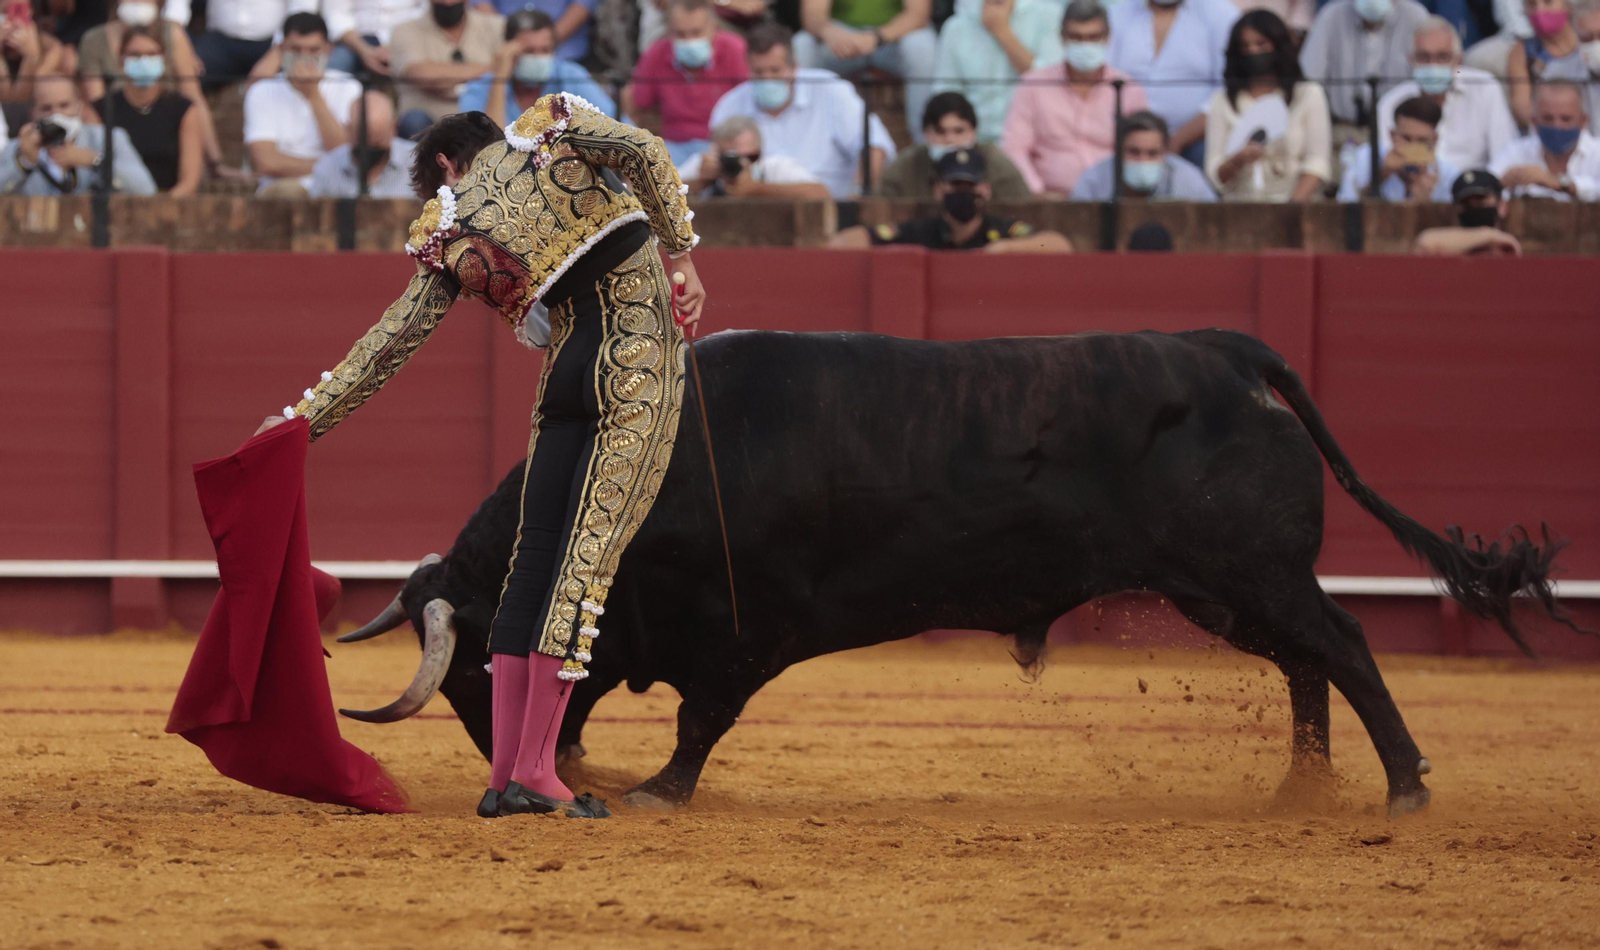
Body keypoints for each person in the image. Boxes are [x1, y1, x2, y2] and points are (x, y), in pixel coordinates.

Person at [252, 98, 703, 821]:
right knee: (581, 567)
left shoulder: (449, 230)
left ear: (444, 163)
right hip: (633, 368)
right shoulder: (555, 123)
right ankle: (537, 778)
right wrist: (680, 254)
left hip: (562, 379)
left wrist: (299, 424)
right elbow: (647, 153)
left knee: (532, 566)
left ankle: (507, 777)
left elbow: (390, 342)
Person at [707, 22, 896, 197]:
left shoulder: (831, 89)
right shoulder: (729, 105)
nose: (767, 79)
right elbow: (713, 165)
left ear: (794, 67)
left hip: (832, 211)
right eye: (758, 72)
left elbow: (874, 146)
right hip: (754, 216)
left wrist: (856, 200)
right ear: (747, 69)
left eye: (775, 70)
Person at [1003, 0, 1150, 195]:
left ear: (1107, 38)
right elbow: (1014, 148)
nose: (1085, 45)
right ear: (1062, 38)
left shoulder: (1127, 88)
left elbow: (1142, 146)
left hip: (1111, 200)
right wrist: (1037, 192)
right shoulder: (1033, 85)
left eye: (1092, 37)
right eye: (1077, 38)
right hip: (1049, 198)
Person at [829, 147, 1074, 250]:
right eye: (956, 185)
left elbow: (1059, 245)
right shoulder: (921, 232)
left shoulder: (1003, 231)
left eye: (970, 185)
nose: (963, 192)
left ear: (985, 190)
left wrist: (1003, 250)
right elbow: (848, 240)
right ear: (938, 190)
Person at [76, 0, 222, 168]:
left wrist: (215, 161)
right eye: (134, 55)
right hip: (119, 147)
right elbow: (100, 109)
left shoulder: (173, 35)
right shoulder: (93, 40)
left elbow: (193, 96)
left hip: (169, 138)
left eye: (152, 54)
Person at [1206, 9, 1331, 201]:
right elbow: (1215, 174)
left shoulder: (1308, 94)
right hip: (1239, 208)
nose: (1253, 52)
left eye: (1261, 44)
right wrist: (1240, 159)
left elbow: (1318, 162)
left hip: (1296, 209)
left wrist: (1288, 210)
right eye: (1245, 46)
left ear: (1278, 45)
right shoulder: (1222, 100)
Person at [1374, 17, 1518, 171]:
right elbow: (1385, 162)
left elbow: (1504, 158)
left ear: (1458, 60)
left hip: (1473, 190)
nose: (1433, 65)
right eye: (1423, 57)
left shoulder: (1485, 88)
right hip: (1413, 187)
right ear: (1411, 60)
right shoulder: (1391, 102)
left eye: (1442, 57)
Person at [1106, 0, 1239, 166]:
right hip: (1126, 136)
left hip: (1195, 139)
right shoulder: (1117, 14)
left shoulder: (1220, 13)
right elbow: (1104, 80)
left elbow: (1227, 89)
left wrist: (1179, 140)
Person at [243, 13, 363, 196]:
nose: (304, 58)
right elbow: (265, 162)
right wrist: (326, 165)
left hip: (337, 186)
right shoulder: (261, 90)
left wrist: (313, 95)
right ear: (282, 50)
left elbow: (345, 154)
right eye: (296, 50)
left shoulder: (349, 87)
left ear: (328, 50)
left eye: (313, 50)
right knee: (288, 193)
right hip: (281, 188)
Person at [624, 0, 749, 167]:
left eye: (696, 32)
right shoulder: (656, 52)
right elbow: (634, 101)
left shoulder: (735, 49)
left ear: (713, 27)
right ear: (669, 30)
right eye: (681, 34)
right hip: (673, 149)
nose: (689, 40)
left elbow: (751, 102)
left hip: (724, 148)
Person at [793, 0, 938, 143]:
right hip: (841, 39)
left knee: (922, 47)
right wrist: (832, 34)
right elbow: (812, 15)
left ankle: (926, 145)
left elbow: (918, 15)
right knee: (803, 45)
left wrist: (876, 38)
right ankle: (801, 140)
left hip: (892, 39)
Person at [930, 0, 1067, 141]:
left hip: (1035, 141)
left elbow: (1053, 89)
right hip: (974, 143)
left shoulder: (1049, 15)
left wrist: (1002, 32)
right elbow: (945, 94)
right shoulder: (956, 27)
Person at [91, 25, 203, 195]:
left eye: (152, 54)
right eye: (135, 55)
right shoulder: (101, 109)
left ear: (164, 59)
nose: (143, 61)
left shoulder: (183, 110)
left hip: (169, 209)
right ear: (121, 59)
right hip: (116, 207)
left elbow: (189, 182)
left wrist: (159, 209)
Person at [0, 76, 156, 195]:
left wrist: (95, 160)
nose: (57, 114)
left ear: (80, 108)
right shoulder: (17, 148)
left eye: (64, 105)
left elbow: (146, 189)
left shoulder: (110, 139)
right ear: (34, 114)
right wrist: (24, 163)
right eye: (46, 108)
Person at [458, 10, 615, 126]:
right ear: (508, 50)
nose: (538, 57)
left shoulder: (571, 75)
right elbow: (489, 150)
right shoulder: (482, 87)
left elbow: (615, 127)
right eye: (529, 51)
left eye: (545, 50)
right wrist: (500, 79)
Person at [1299, 0, 1430, 135]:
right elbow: (1308, 79)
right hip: (1343, 131)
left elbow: (1430, 78)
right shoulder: (1331, 15)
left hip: (1402, 132)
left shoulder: (1416, 17)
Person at [879, 91, 1032, 199]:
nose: (950, 139)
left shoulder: (996, 165)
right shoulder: (904, 167)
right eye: (940, 132)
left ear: (974, 131)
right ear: (926, 133)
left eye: (959, 131)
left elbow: (1025, 212)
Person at [390, 0, 504, 137]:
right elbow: (421, 74)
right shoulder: (405, 30)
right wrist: (492, 69)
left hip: (483, 120)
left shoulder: (495, 26)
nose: (448, 3)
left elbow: (513, 65)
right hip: (429, 125)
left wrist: (444, 79)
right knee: (415, 121)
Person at [1071, 109, 1217, 199]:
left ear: (1166, 153)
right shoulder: (1093, 181)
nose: (1143, 160)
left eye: (1152, 153)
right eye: (1134, 152)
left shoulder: (1190, 182)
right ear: (1118, 150)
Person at [1490, 78, 1600, 197]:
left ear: (1584, 121)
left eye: (1566, 119)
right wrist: (1500, 184)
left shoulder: (1596, 153)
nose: (1557, 125)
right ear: (1534, 122)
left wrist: (1560, 183)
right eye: (1548, 118)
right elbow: (1486, 185)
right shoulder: (1516, 152)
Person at [679, 114, 834, 197]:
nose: (740, 164)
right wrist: (699, 183)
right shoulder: (704, 166)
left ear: (760, 153)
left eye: (749, 157)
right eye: (729, 158)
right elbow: (657, 197)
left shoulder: (774, 168)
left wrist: (756, 189)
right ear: (715, 152)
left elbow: (821, 193)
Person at [1339, 95, 1459, 200]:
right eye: (1406, 138)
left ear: (1435, 140)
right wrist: (1381, 175)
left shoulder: (1448, 174)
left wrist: (1427, 204)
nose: (1413, 146)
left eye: (1422, 141)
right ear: (1392, 135)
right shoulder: (1366, 158)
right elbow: (1345, 206)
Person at [307, 90, 419, 197]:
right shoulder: (328, 168)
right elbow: (317, 214)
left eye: (377, 141)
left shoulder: (419, 164)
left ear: (394, 128)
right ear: (348, 129)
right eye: (362, 140)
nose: (369, 149)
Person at [186, 0, 319, 87]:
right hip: (218, 40)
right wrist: (186, 49)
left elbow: (303, 9)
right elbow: (175, 10)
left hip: (276, 42)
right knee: (186, 75)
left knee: (299, 76)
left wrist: (279, 50)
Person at [1507, 0, 1588, 129]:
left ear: (1567, 5)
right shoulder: (1521, 52)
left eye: (1548, 2)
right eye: (1532, 5)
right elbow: (1522, 109)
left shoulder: (1588, 40)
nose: (1540, 11)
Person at [1414, 168, 1523, 252]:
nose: (1474, 206)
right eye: (1466, 203)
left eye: (1480, 200)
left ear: (1502, 205)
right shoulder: (1447, 246)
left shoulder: (1515, 243)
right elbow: (1426, 243)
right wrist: (1490, 235)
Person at [321, 0, 430, 76]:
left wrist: (399, 45)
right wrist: (364, 50)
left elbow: (426, 9)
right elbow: (336, 14)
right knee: (335, 68)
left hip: (409, 38)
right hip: (357, 40)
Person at [479, 0, 597, 63]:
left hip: (564, 57)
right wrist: (510, 43)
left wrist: (542, 45)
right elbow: (481, 3)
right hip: (504, 55)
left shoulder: (570, 73)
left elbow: (582, 5)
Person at [1, 2, 67, 104]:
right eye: (6, 12)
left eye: (19, 11)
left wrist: (31, 58)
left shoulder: (51, 48)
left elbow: (23, 99)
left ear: (30, 13)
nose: (13, 20)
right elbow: (4, 100)